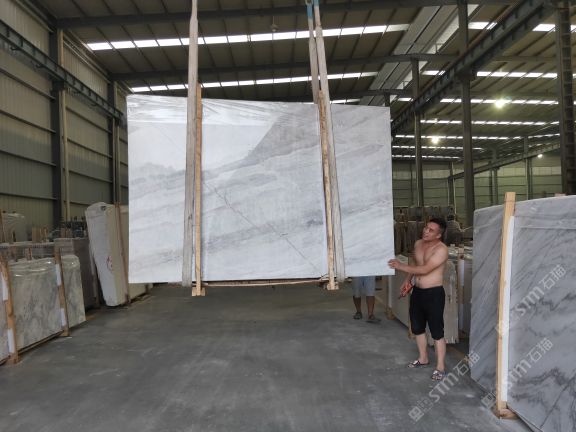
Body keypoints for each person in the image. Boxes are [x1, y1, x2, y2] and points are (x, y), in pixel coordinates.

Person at [388, 217, 449, 380]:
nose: (426, 231)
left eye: (431, 230)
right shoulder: (418, 244)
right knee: (417, 327)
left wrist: (400, 266)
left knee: (437, 331)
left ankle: (440, 367)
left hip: (434, 293)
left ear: (438, 235)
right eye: (426, 227)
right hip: (418, 292)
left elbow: (425, 269)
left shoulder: (441, 249)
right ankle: (423, 358)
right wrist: (407, 281)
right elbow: (416, 266)